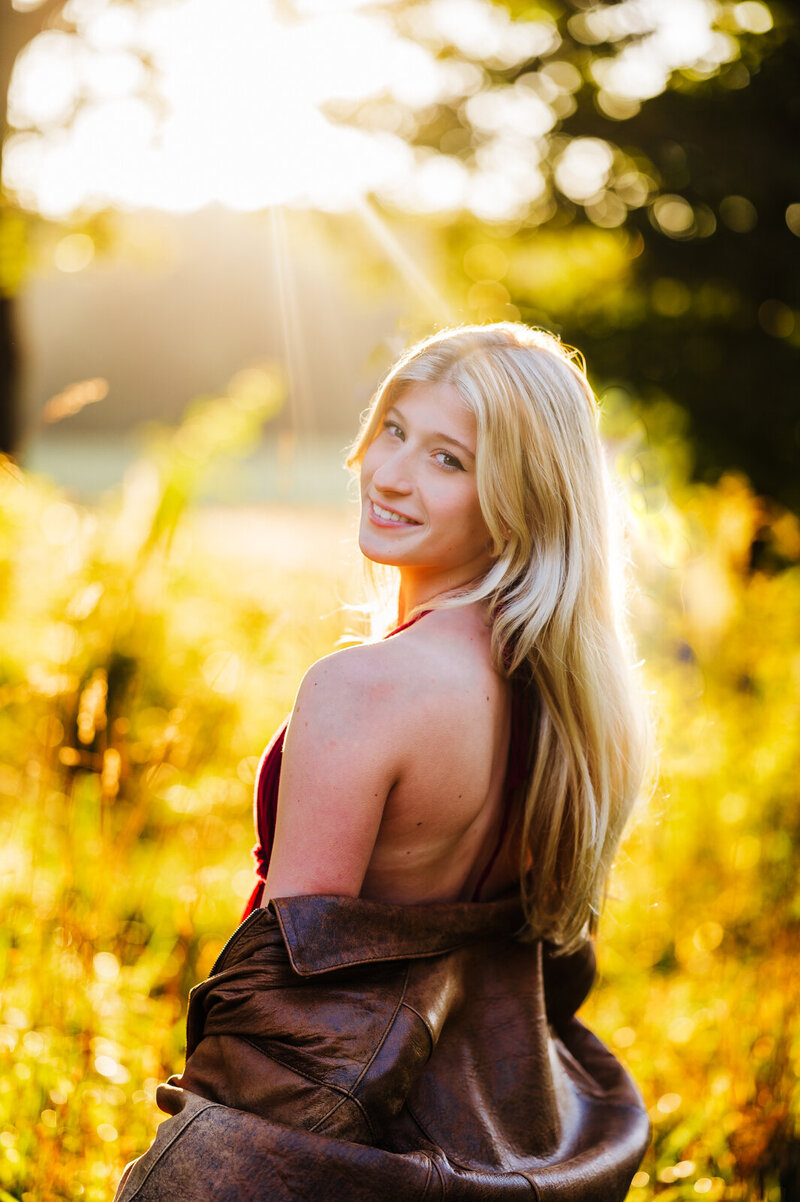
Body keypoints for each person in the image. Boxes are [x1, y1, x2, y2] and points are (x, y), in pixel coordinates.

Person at [114, 323, 652, 1201]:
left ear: (518, 496)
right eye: (394, 428)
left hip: (347, 1152)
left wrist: (184, 1177)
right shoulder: (571, 702)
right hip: (487, 1131)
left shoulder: (363, 690)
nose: (392, 472)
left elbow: (286, 1022)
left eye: (449, 459)